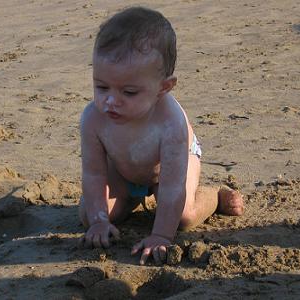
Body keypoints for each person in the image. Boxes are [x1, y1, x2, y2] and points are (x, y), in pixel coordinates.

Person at [79, 6, 243, 265]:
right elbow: (94, 174)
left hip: (168, 173)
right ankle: (130, 198)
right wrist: (99, 220)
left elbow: (172, 184)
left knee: (184, 217)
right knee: (90, 217)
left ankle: (214, 196)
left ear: (163, 88)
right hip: (124, 170)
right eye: (101, 87)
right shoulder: (93, 118)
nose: (111, 100)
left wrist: (161, 235)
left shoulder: (171, 122)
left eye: (129, 92)